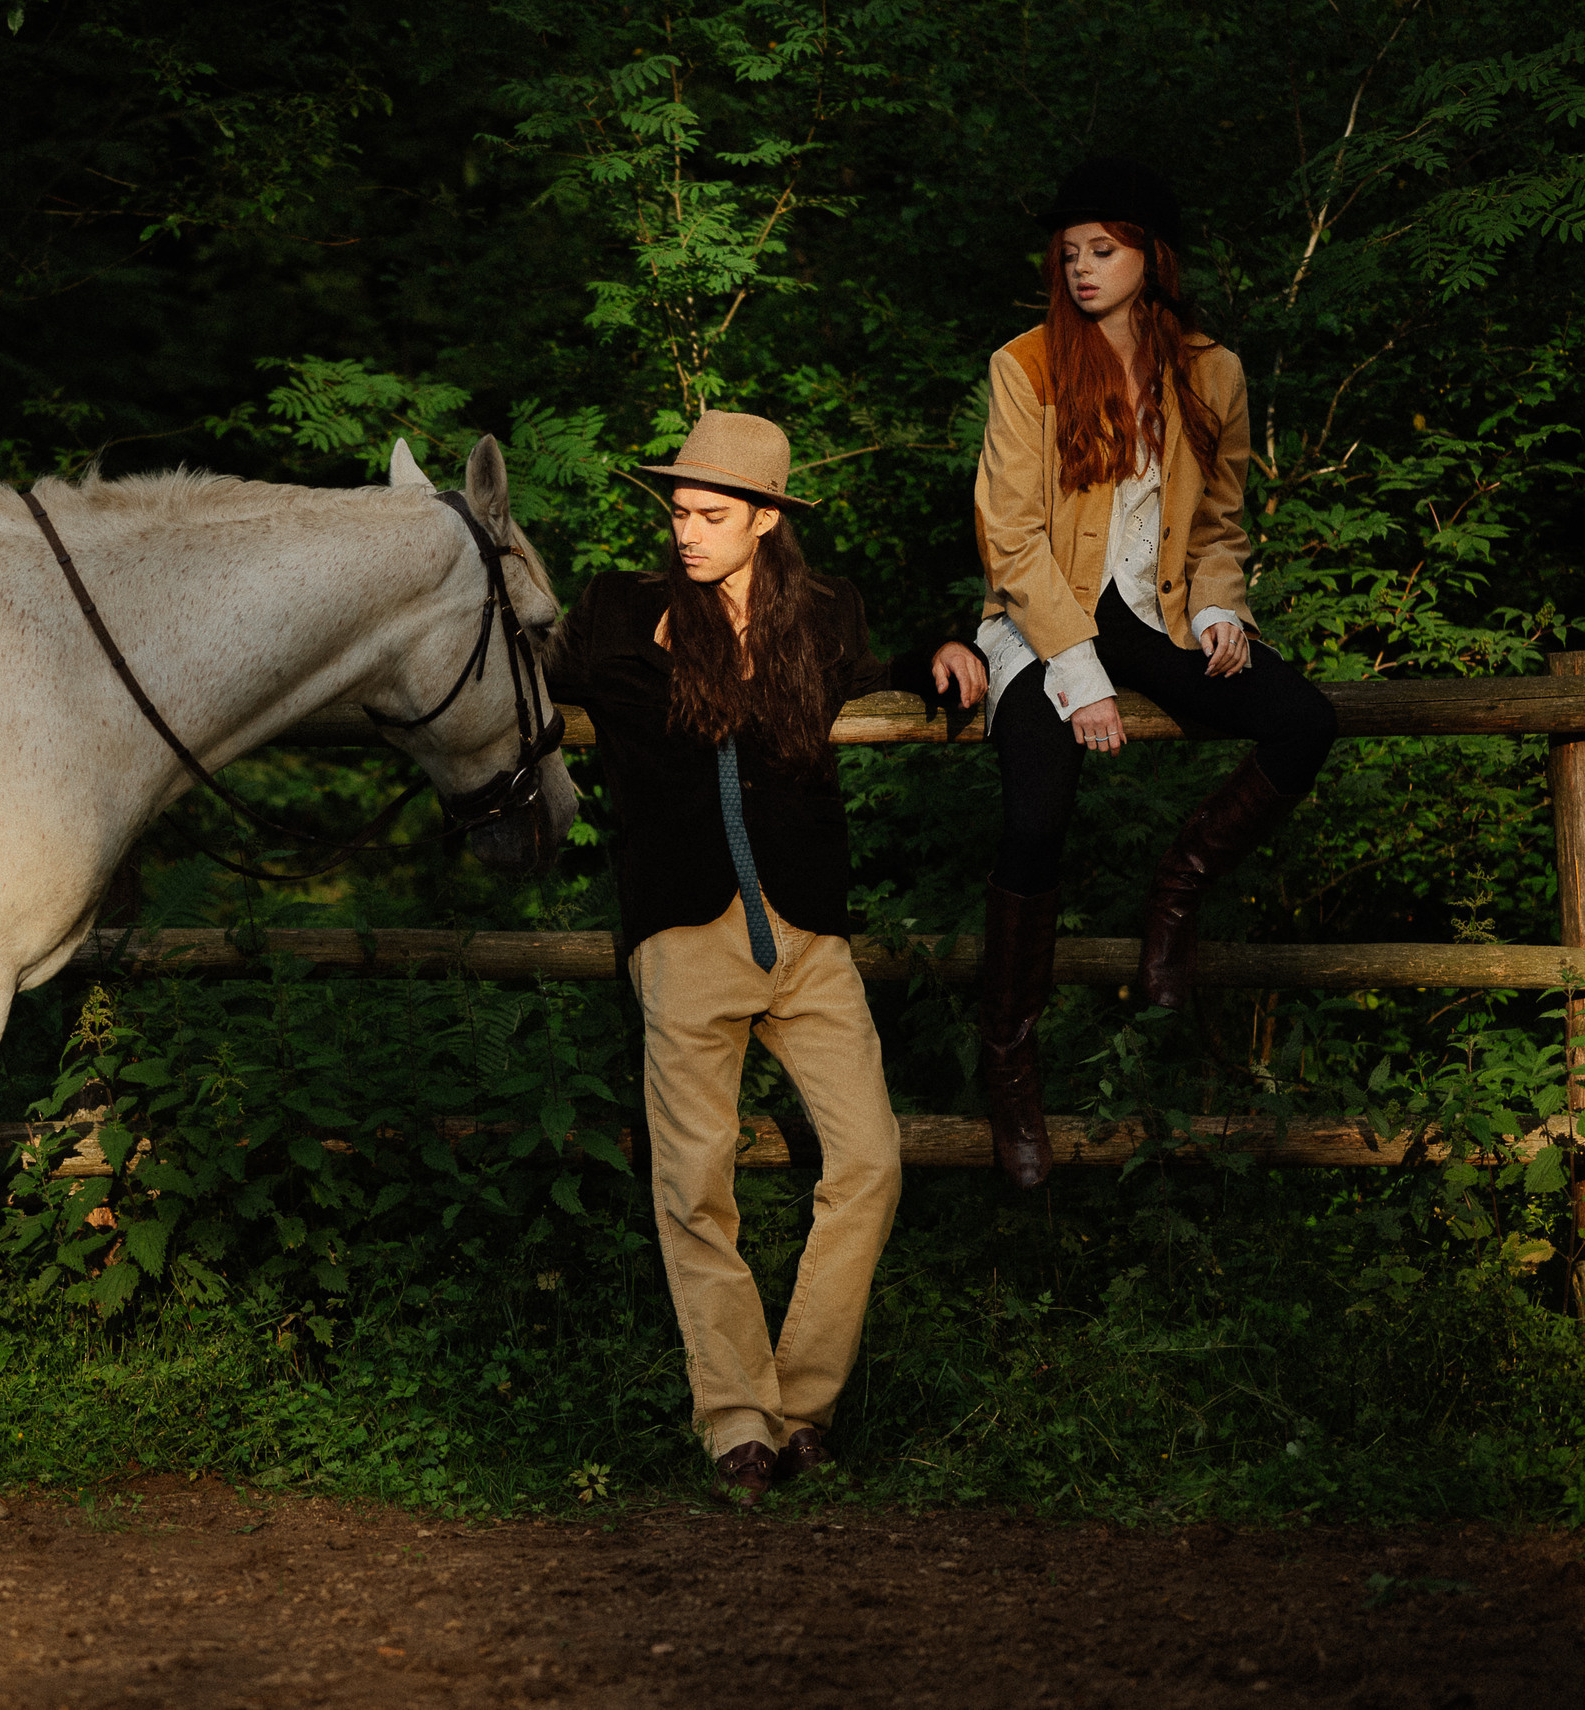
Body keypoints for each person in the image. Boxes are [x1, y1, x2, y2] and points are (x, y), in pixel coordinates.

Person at [544, 409, 987, 1507]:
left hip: (806, 934)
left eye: (709, 516)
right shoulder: (620, 611)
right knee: (696, 1182)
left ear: (764, 521)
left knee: (870, 1159)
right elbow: (522, 675)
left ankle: (803, 1406)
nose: (685, 532)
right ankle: (738, 1419)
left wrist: (941, 649)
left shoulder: (822, 613)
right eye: (678, 512)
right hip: (683, 936)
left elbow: (879, 668)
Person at [972, 159, 1338, 1190]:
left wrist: (1220, 609)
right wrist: (1077, 674)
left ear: (1152, 258)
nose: (1082, 268)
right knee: (1036, 815)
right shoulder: (1027, 365)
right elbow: (1009, 537)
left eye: (1104, 249)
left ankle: (1175, 892)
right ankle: (1008, 1064)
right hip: (1043, 618)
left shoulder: (1212, 372)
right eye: (1069, 254)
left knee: (1303, 720)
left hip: (1156, 610)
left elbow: (1217, 523)